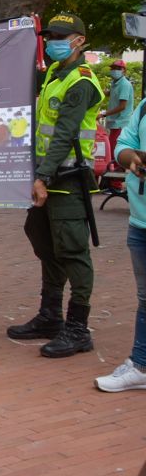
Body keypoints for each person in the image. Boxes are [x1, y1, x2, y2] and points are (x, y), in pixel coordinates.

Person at [9, 13, 103, 357]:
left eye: (60, 38)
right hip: (46, 176)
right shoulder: (54, 73)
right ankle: (50, 315)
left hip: (67, 179)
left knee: (73, 252)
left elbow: (64, 134)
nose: (52, 43)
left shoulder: (81, 81)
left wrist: (42, 177)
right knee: (42, 240)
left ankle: (77, 329)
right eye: (50, 37)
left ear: (78, 41)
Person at [96, 97, 146, 390]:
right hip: (140, 221)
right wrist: (132, 158)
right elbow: (123, 145)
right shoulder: (145, 106)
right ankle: (141, 365)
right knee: (145, 298)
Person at [103, 59, 134, 157]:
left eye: (118, 68)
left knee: (114, 150)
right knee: (111, 148)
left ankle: (116, 164)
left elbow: (122, 106)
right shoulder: (115, 83)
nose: (115, 70)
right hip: (114, 122)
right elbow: (110, 93)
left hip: (121, 123)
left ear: (124, 70)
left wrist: (103, 114)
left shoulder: (124, 84)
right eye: (113, 68)